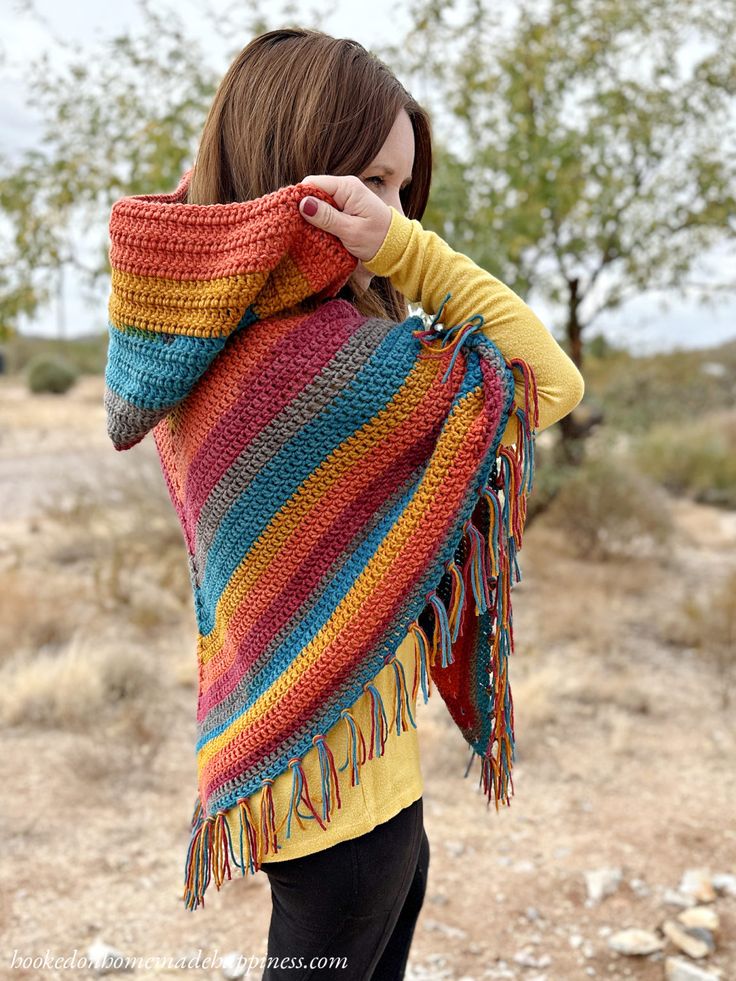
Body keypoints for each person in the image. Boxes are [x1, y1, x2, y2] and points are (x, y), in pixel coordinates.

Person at [103, 26, 584, 981]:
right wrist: (410, 250)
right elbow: (549, 382)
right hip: (346, 809)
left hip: (319, 770)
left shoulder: (200, 343)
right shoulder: (323, 362)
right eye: (373, 183)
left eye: (404, 192)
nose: (391, 212)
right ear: (301, 175)